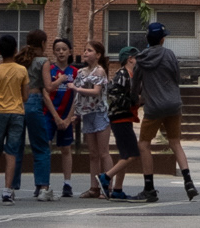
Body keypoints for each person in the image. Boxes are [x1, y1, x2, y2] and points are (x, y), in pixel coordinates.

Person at [132, 20, 197, 204]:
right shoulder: (170, 55)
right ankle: (188, 182)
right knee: (175, 142)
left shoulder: (141, 59)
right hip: (173, 105)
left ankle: (149, 188)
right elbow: (176, 78)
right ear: (162, 40)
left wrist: (135, 98)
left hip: (153, 108)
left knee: (144, 144)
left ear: (148, 39)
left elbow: (135, 85)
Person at [0, 32, 31, 202]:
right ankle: (7, 190)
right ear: (15, 50)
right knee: (12, 152)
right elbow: (25, 96)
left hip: (0, 112)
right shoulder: (22, 70)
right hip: (17, 113)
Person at [74, 41, 113, 198]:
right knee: (92, 153)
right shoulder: (81, 72)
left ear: (98, 55)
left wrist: (76, 88)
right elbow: (77, 96)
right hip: (87, 114)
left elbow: (96, 91)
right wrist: (74, 113)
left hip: (100, 112)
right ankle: (93, 187)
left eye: (89, 50)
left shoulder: (100, 71)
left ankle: (108, 187)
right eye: (85, 50)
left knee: (104, 152)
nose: (85, 53)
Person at [105, 46, 142, 201]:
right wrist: (133, 101)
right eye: (136, 57)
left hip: (125, 117)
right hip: (119, 118)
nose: (139, 61)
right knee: (133, 154)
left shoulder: (132, 75)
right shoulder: (122, 74)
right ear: (130, 59)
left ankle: (118, 189)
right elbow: (113, 93)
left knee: (124, 155)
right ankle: (106, 177)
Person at [21, 30, 54, 200]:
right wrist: (61, 80)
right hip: (34, 101)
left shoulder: (20, 59)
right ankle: (43, 187)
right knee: (41, 146)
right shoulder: (43, 61)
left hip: (18, 102)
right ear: (43, 43)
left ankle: (11, 186)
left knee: (16, 146)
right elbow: (48, 86)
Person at [46, 39, 79, 198]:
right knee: (46, 147)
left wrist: (68, 118)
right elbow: (45, 93)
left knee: (66, 148)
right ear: (53, 52)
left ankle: (67, 183)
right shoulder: (49, 70)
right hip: (49, 113)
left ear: (70, 51)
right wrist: (55, 117)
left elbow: (76, 96)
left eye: (64, 49)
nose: (60, 52)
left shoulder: (74, 72)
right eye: (57, 49)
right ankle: (43, 184)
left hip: (67, 115)